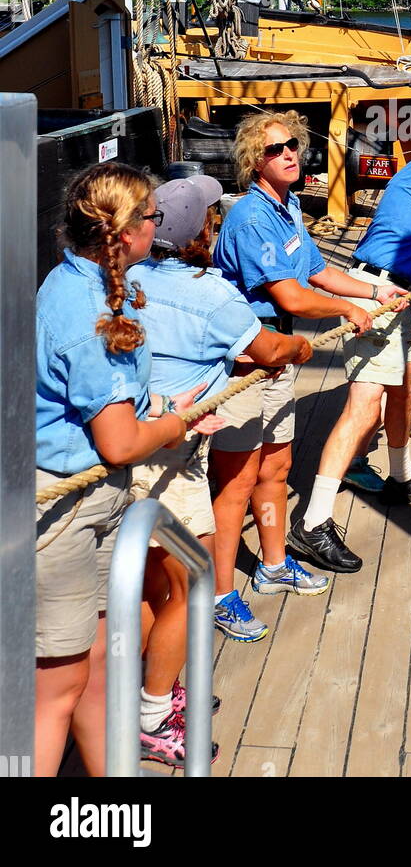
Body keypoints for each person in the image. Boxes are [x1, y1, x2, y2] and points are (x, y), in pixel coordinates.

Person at [129, 173, 313, 760]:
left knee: (148, 576)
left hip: (128, 440)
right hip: (170, 455)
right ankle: (153, 714)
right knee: (197, 577)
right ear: (196, 231)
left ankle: (144, 684)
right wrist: (300, 348)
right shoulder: (213, 295)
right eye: (210, 218)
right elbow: (270, 349)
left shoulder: (127, 278)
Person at [34, 164, 207, 778]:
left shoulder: (85, 283)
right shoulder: (85, 310)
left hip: (96, 506)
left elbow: (118, 410)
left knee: (101, 663)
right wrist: (176, 426)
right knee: (55, 688)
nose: (158, 226)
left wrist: (160, 409)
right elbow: (120, 443)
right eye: (151, 217)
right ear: (126, 232)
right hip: (62, 515)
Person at [212, 111, 405, 629]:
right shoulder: (251, 218)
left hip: (279, 355)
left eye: (293, 144)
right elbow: (289, 293)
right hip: (245, 363)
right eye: (276, 149)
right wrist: (347, 310)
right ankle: (220, 592)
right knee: (236, 483)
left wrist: (373, 291)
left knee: (275, 467)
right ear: (256, 161)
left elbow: (316, 270)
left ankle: (273, 564)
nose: (291, 154)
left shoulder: (289, 206)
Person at [288, 104, 411, 574]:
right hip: (380, 294)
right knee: (362, 410)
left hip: (394, 290)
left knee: (402, 388)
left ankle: (401, 477)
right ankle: (313, 520)